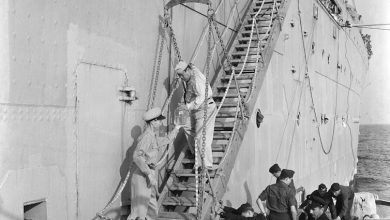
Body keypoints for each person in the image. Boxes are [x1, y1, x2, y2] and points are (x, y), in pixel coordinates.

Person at [128, 107, 181, 220]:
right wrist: (149, 174)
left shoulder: (153, 135)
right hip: (143, 176)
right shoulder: (147, 136)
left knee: (152, 209)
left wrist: (177, 128)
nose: (161, 122)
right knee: (139, 212)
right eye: (159, 120)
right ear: (153, 122)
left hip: (149, 175)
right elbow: (137, 156)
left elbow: (166, 140)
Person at [175, 61, 217, 169]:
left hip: (206, 108)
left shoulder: (197, 80)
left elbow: (204, 95)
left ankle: (205, 164)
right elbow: (193, 67)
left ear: (187, 70)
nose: (181, 78)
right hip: (196, 110)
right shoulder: (191, 72)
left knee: (201, 136)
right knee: (186, 126)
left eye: (182, 75)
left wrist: (187, 107)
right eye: (179, 76)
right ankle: (196, 153)